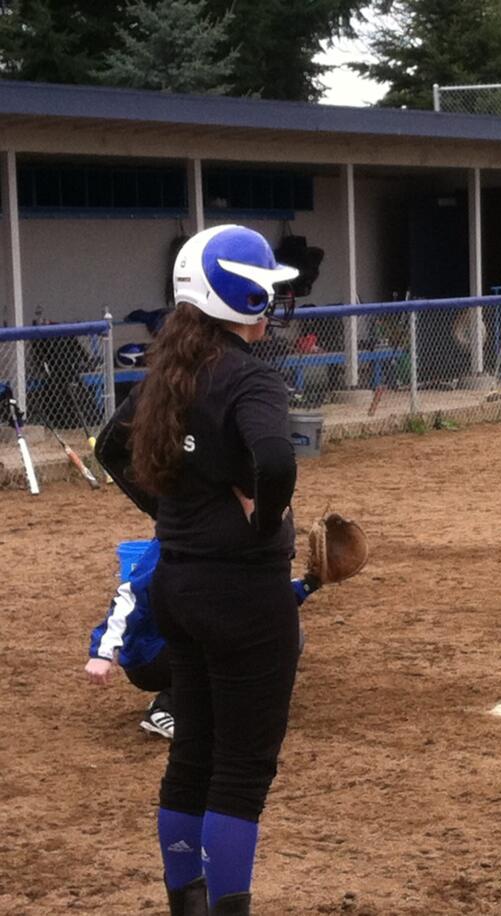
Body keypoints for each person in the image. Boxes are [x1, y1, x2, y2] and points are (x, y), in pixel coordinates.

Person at [96, 224, 301, 916]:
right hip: (244, 593)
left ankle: (185, 902)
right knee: (241, 773)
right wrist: (266, 522)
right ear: (241, 296)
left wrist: (171, 510)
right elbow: (274, 461)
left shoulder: (169, 371)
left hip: (178, 585)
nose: (272, 304)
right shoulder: (249, 376)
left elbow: (109, 448)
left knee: (194, 758)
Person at [85, 539, 321, 741]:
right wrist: (102, 652)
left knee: (285, 635)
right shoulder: (182, 537)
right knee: (224, 632)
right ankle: (166, 707)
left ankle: (219, 702)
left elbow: (264, 597)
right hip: (151, 654)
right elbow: (130, 595)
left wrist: (311, 583)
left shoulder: (240, 539)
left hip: (188, 639)